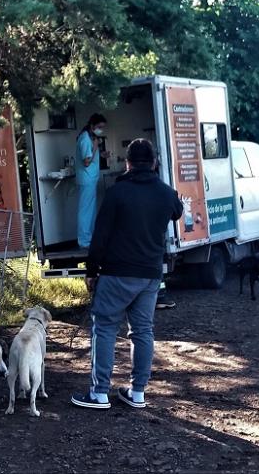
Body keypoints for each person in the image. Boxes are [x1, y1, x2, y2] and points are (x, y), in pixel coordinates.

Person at [71, 139, 182, 409]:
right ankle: (138, 392)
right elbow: (177, 212)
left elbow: (101, 235)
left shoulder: (118, 192)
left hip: (117, 272)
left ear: (128, 163)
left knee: (105, 328)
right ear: (155, 162)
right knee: (143, 330)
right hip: (150, 275)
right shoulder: (166, 193)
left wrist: (92, 270)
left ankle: (99, 393)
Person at [75, 113, 110, 249]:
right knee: (85, 211)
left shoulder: (89, 137)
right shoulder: (84, 138)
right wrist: (96, 147)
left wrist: (101, 154)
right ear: (92, 126)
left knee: (90, 210)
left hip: (90, 179)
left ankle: (89, 238)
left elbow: (90, 155)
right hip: (86, 179)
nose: (101, 130)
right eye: (99, 127)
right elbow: (87, 162)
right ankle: (84, 240)